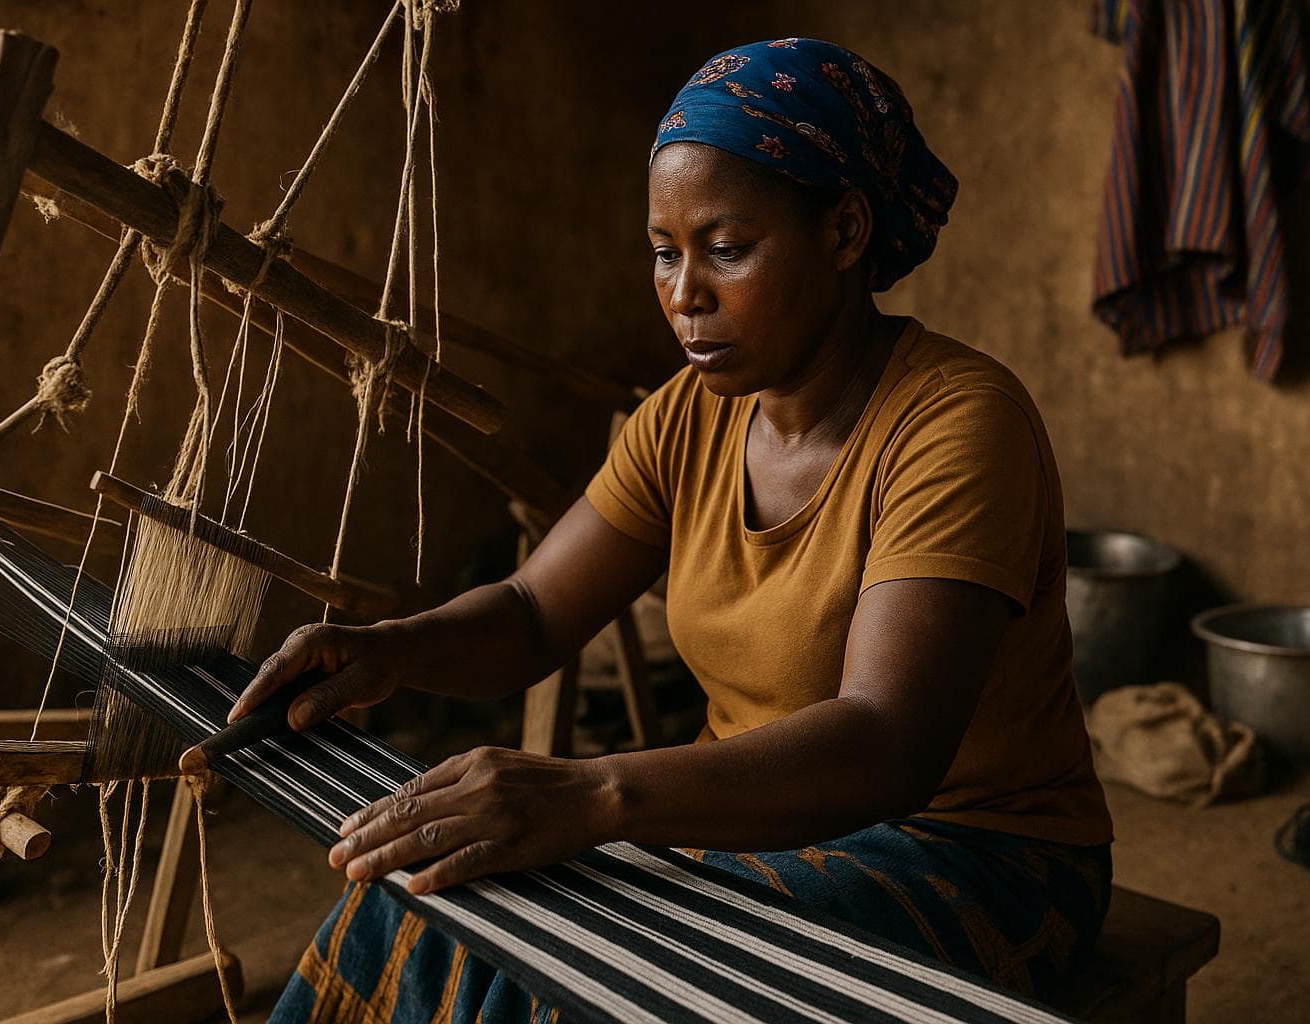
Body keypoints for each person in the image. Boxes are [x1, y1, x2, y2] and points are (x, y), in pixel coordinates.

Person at [251, 37, 1113, 1022]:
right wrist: (387, 648)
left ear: (845, 230)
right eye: (665, 253)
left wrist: (589, 794)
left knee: (600, 976)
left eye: (727, 248)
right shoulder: (687, 417)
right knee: (420, 895)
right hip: (738, 828)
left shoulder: (958, 425)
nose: (683, 293)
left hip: (970, 851)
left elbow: (888, 741)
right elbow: (535, 610)